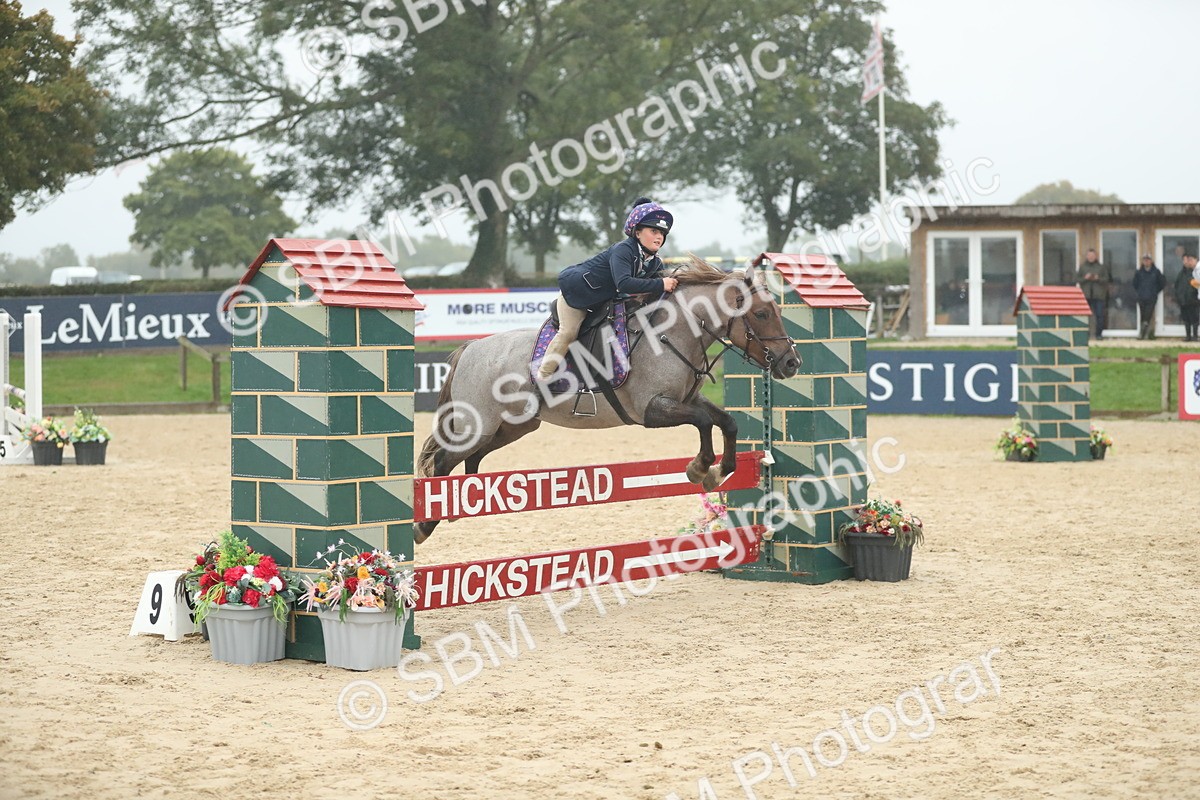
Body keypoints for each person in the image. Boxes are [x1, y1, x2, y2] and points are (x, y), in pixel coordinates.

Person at [537, 197, 679, 380]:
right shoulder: (623, 250)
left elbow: (662, 285)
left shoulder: (655, 262)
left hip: (604, 301)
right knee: (568, 333)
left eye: (663, 233)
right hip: (578, 295)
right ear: (637, 233)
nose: (659, 237)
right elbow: (624, 283)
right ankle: (541, 378)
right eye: (654, 231)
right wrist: (661, 284)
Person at [1075, 248, 1112, 339]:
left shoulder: (1101, 267)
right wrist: (1085, 278)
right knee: (1084, 316)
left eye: (1092, 255)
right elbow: (1077, 279)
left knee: (1100, 316)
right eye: (1089, 255)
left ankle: (1099, 334)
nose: (1091, 257)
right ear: (1087, 256)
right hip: (1086, 295)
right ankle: (1084, 335)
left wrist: (1097, 278)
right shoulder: (1083, 267)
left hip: (1098, 296)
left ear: (1096, 256)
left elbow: (1107, 279)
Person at [1132, 254, 1165, 339]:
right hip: (1141, 297)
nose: (1146, 261)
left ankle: (1144, 333)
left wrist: (1155, 291)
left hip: (1151, 297)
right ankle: (1143, 333)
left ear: (1151, 261)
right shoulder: (1139, 272)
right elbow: (1135, 284)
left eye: (1148, 260)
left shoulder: (1156, 272)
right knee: (1142, 315)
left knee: (1148, 315)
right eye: (1145, 260)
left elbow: (1162, 283)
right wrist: (1139, 292)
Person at [1177, 251, 1200, 342]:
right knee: (1186, 319)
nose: (1188, 262)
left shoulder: (1197, 270)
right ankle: (1188, 336)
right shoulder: (1182, 273)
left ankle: (1195, 336)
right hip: (1184, 300)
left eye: (1190, 260)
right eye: (1186, 260)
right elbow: (1177, 286)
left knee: (1195, 318)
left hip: (1194, 300)